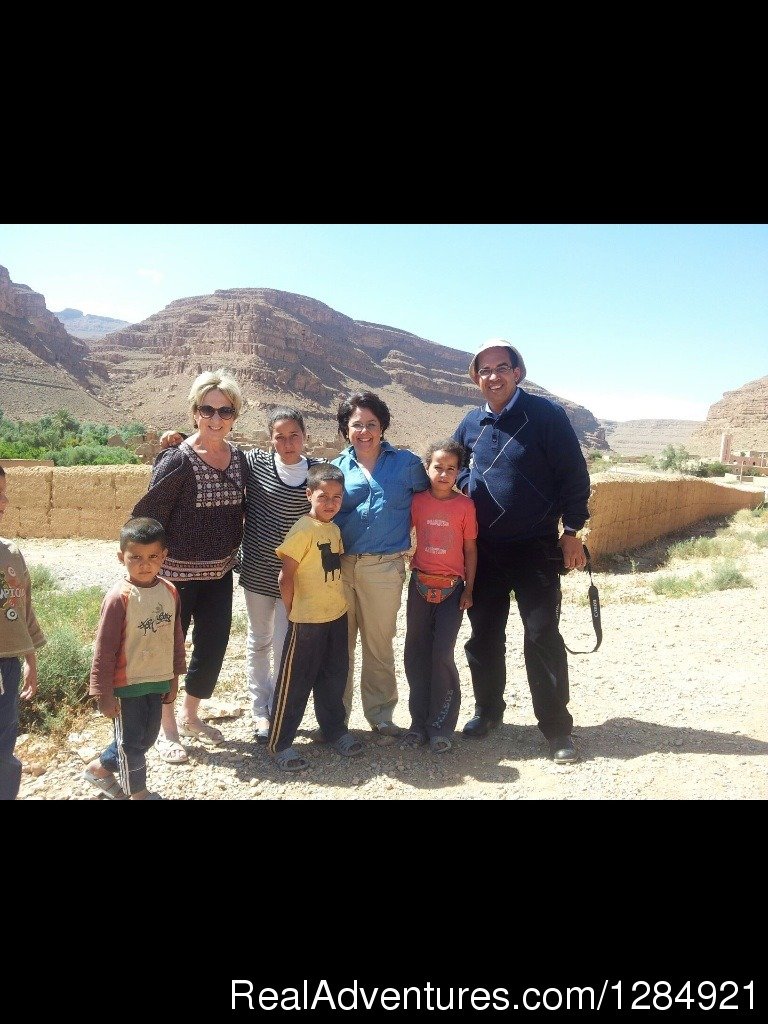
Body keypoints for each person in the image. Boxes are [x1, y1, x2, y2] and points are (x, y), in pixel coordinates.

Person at [453, 340, 590, 764]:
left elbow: (573, 472)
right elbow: (452, 464)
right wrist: (464, 485)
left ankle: (555, 729)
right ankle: (488, 711)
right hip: (485, 550)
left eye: (501, 367)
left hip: (536, 548)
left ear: (517, 373)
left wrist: (572, 530)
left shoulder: (546, 415)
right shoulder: (470, 423)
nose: (492, 376)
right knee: (484, 635)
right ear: (476, 378)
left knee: (542, 635)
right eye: (484, 370)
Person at [159, 407, 323, 744]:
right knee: (258, 641)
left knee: (284, 643)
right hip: (258, 572)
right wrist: (174, 441)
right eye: (280, 436)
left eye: (294, 435)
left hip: (297, 577)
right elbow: (211, 449)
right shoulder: (256, 464)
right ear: (270, 438)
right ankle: (259, 710)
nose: (287, 442)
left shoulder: (316, 474)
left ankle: (279, 706)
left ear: (305, 436)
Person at [132, 369, 247, 763]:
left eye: (225, 411)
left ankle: (191, 715)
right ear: (194, 412)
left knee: (213, 647)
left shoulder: (240, 460)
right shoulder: (177, 459)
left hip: (219, 574)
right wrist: (143, 569)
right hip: (176, 577)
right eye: (207, 409)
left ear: (235, 415)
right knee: (171, 650)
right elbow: (148, 515)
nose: (216, 418)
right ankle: (167, 730)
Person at [332, 392, 430, 737]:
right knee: (339, 645)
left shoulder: (406, 464)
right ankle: (336, 717)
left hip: (385, 569)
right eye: (356, 424)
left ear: (382, 427)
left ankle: (380, 714)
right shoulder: (335, 467)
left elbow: (436, 493)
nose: (364, 431)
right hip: (341, 568)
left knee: (379, 643)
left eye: (371, 424)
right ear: (346, 429)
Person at [268, 463, 364, 771]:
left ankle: (334, 730)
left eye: (337, 497)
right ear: (309, 495)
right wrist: (292, 609)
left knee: (334, 676)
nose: (331, 503)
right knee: (296, 681)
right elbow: (287, 575)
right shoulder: (303, 529)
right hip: (307, 620)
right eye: (324, 496)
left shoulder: (333, 529)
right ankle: (280, 742)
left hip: (335, 615)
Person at [83, 517, 187, 800]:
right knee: (131, 745)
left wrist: (174, 679)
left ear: (164, 556)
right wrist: (103, 692)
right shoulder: (119, 597)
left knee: (146, 739)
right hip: (126, 685)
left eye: (153, 556)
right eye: (136, 557)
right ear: (121, 557)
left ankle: (99, 768)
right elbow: (104, 649)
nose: (145, 564)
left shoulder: (169, 592)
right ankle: (137, 793)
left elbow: (175, 638)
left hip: (158, 681)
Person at [401, 440, 477, 754]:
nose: (443, 474)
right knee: (416, 653)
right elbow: (403, 534)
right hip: (419, 586)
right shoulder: (416, 501)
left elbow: (470, 550)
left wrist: (469, 589)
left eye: (451, 469)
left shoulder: (465, 506)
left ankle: (442, 725)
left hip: (452, 590)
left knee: (442, 655)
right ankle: (418, 724)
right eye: (438, 467)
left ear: (459, 472)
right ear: (427, 468)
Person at [0, 465, 45, 801]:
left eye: (3, 493)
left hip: (8, 666)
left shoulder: (11, 552)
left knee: (4, 742)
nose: (3, 501)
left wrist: (30, 658)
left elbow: (24, 609)